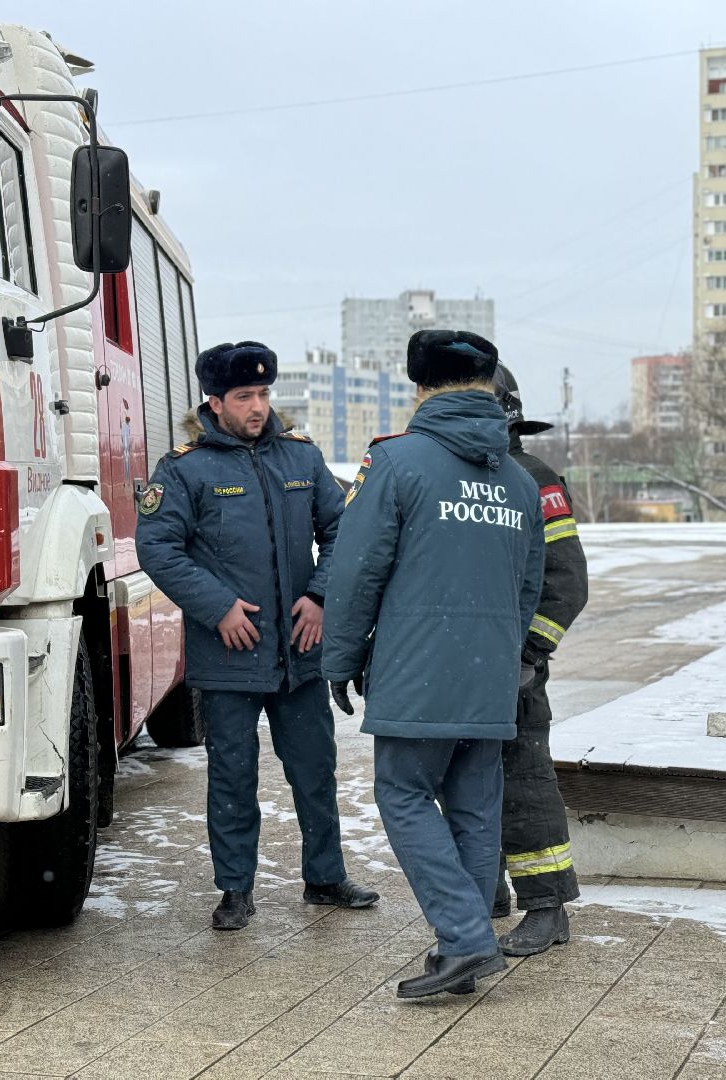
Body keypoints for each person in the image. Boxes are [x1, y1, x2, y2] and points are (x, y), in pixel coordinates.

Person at [323, 330, 544, 998]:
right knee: (474, 807)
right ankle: (463, 947)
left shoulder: (397, 462)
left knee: (405, 793)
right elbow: (528, 585)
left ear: (419, 388)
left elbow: (357, 570)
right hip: (489, 673)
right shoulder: (518, 479)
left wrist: (340, 656)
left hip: (417, 670)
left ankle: (468, 940)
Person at [136, 341, 379, 930]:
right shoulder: (184, 468)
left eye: (264, 394)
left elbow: (344, 527)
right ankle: (235, 891)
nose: (257, 407)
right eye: (244, 396)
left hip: (298, 654)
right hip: (230, 655)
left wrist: (320, 595)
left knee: (314, 771)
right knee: (233, 775)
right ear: (214, 401)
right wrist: (218, 607)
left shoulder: (300, 458)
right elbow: (158, 549)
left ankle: (324, 877)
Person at [489, 363, 589, 956]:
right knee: (468, 781)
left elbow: (567, 580)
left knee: (524, 780)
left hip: (516, 668)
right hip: (466, 666)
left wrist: (530, 652)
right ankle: (487, 889)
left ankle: (547, 906)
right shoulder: (455, 475)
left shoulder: (535, 478)